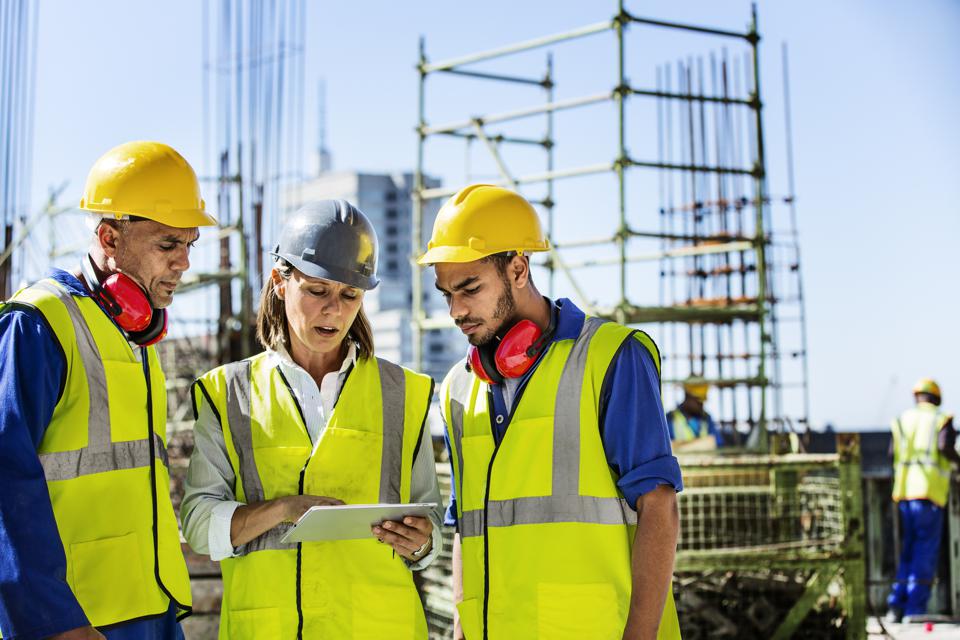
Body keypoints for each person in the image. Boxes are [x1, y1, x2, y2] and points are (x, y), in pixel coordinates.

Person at [418, 184, 683, 640]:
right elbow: (468, 526)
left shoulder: (612, 358)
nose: (456, 311)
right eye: (446, 294)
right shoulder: (458, 389)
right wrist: (461, 630)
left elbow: (659, 508)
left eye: (470, 288)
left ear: (518, 268)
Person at [181, 200, 443, 638]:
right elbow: (200, 526)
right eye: (318, 291)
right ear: (280, 283)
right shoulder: (229, 394)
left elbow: (428, 522)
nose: (334, 311)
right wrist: (284, 510)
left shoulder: (405, 394)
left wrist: (423, 542)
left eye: (350, 296)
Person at [0, 141, 215, 639]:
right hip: (74, 620)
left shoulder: (135, 335)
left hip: (150, 611)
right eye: (167, 245)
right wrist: (51, 621)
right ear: (109, 236)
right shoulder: (39, 324)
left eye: (190, 244)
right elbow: (6, 484)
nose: (183, 262)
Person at [886, 378, 959, 623]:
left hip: (904, 493)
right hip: (929, 494)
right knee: (924, 553)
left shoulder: (902, 420)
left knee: (907, 552)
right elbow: (946, 447)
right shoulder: (940, 419)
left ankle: (895, 606)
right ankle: (915, 610)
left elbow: (891, 453)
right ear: (936, 398)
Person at [666, 379, 724, 449]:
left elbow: (717, 442)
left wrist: (682, 446)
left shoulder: (706, 418)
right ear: (687, 396)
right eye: (698, 400)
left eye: (702, 401)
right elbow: (668, 447)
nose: (701, 404)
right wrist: (704, 443)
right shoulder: (671, 418)